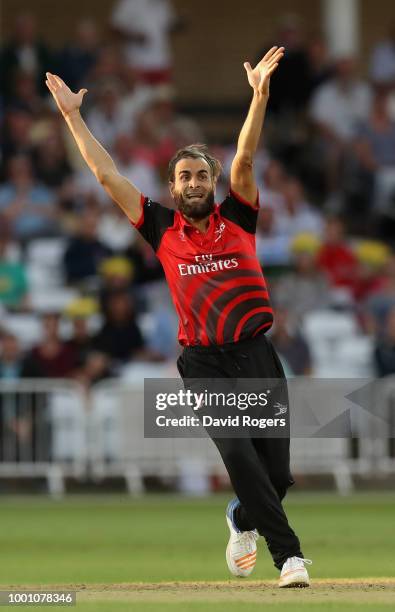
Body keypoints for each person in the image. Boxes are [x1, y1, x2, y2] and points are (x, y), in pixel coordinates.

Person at [45, 46, 311, 588]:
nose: (193, 182)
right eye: (183, 176)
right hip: (205, 363)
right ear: (172, 186)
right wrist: (74, 116)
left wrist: (259, 96)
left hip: (257, 355)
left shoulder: (238, 215)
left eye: (200, 175)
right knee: (237, 451)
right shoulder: (162, 229)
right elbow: (106, 175)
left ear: (211, 183)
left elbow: (244, 157)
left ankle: (241, 518)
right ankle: (291, 559)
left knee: (276, 477)